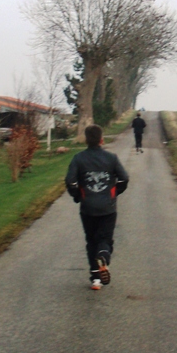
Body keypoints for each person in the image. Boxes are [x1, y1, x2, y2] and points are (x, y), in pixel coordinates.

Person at [66, 124, 129, 290]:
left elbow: (70, 181)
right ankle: (104, 256)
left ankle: (95, 279)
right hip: (107, 207)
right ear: (102, 139)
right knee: (105, 239)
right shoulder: (111, 158)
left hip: (88, 207)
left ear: (86, 140)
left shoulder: (78, 159)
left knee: (91, 240)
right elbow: (124, 178)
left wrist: (78, 196)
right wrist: (114, 193)